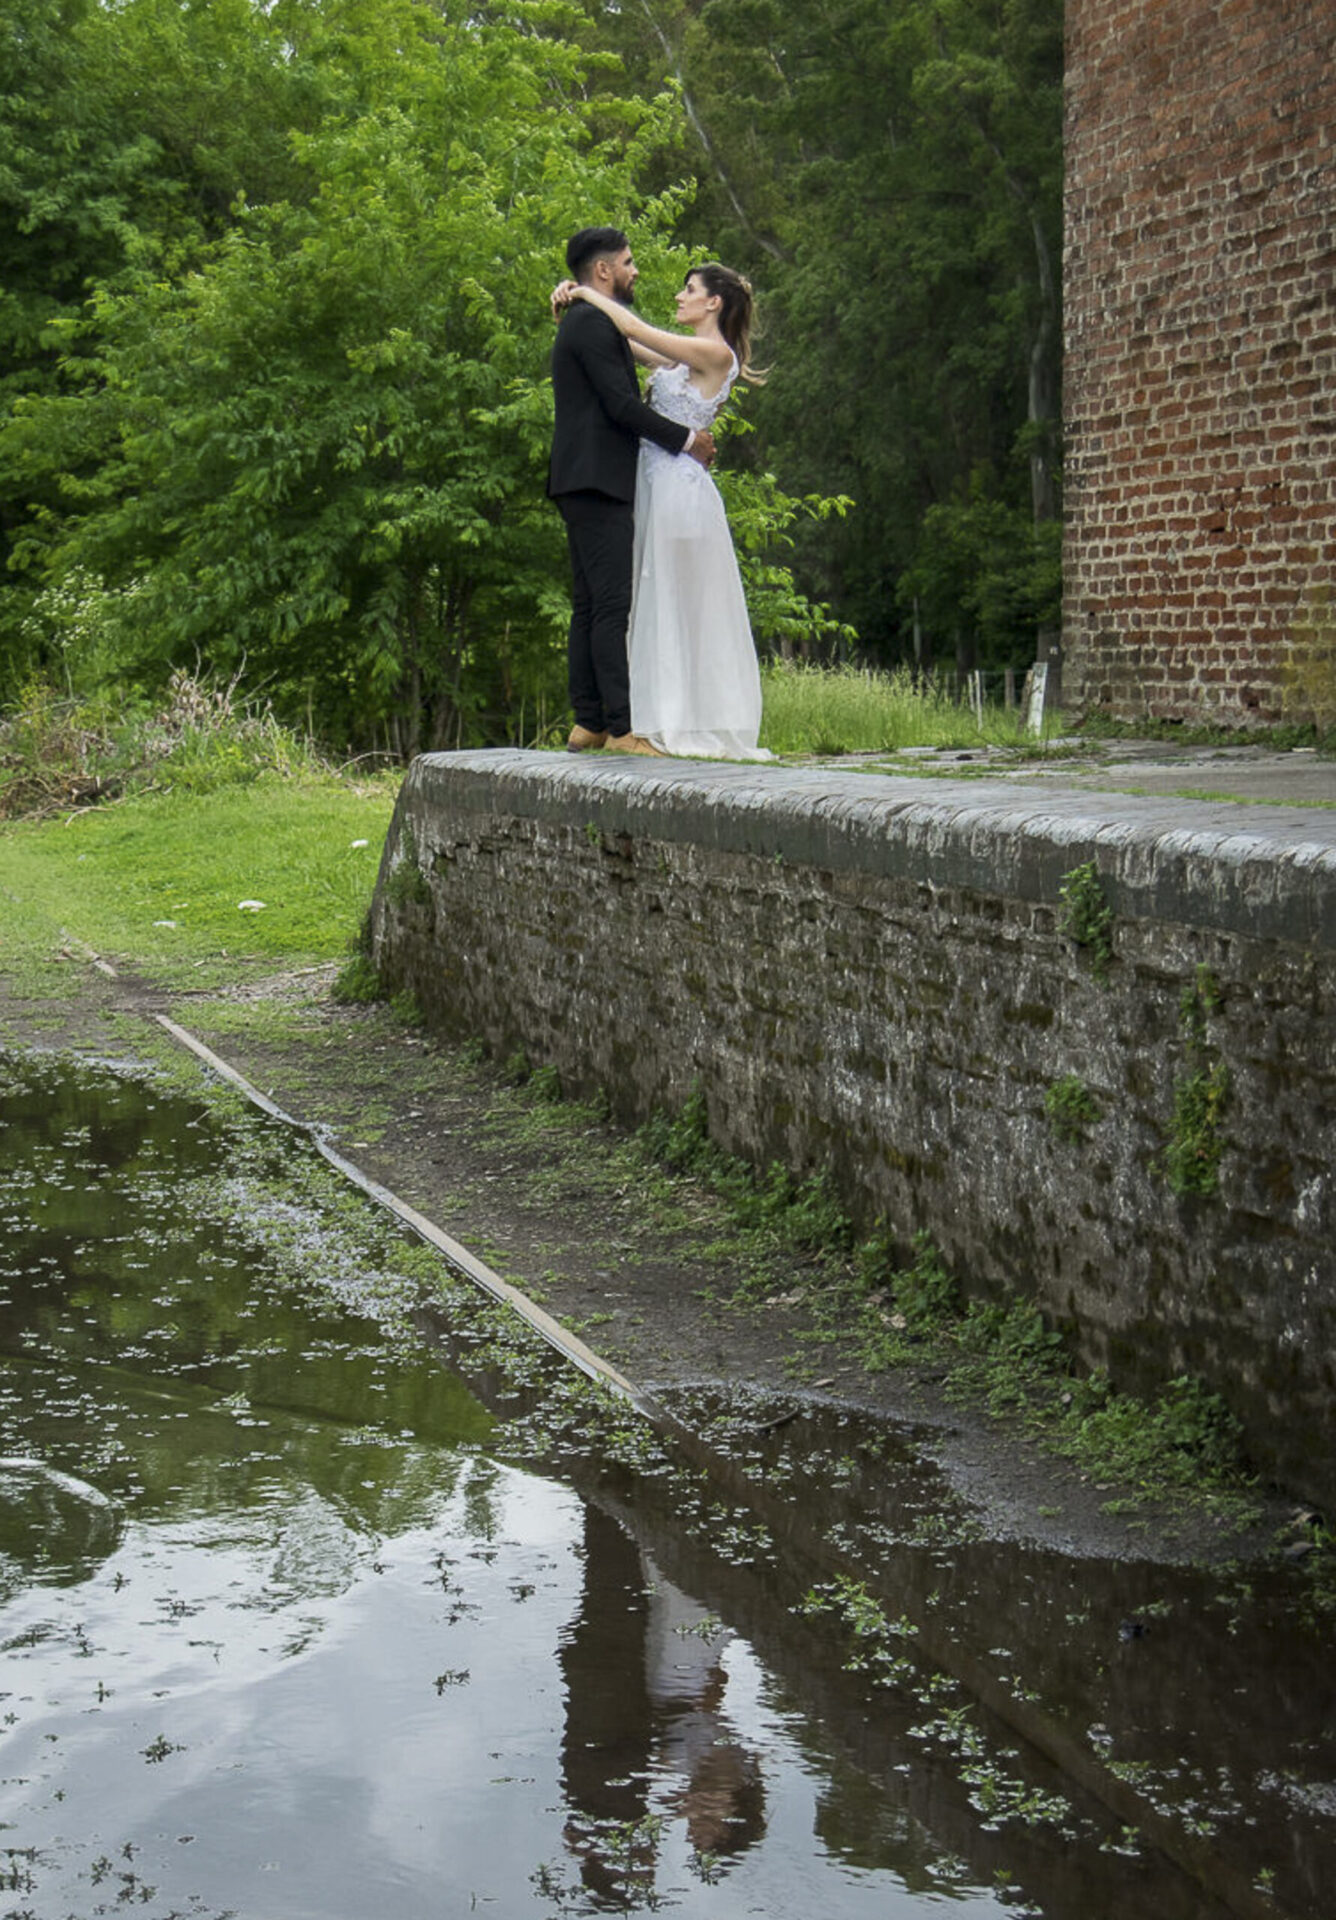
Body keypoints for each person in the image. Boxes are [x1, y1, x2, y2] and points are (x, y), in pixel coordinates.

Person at [551, 260, 771, 762]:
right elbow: (618, 341)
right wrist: (574, 301)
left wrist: (584, 293)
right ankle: (638, 713)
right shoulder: (678, 360)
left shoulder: (716, 353)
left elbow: (632, 327)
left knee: (669, 596)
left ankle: (671, 717)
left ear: (713, 302)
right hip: (650, 483)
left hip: (678, 491)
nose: (679, 296)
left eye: (689, 290)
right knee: (647, 596)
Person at [548, 226, 717, 756]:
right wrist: (687, 440)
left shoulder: (588, 320)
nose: (635, 270)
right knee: (610, 606)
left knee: (589, 603)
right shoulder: (591, 324)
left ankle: (589, 721)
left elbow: (646, 358)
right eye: (627, 262)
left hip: (582, 477)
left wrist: (574, 292)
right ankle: (622, 731)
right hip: (598, 479)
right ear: (603, 270)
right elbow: (622, 407)